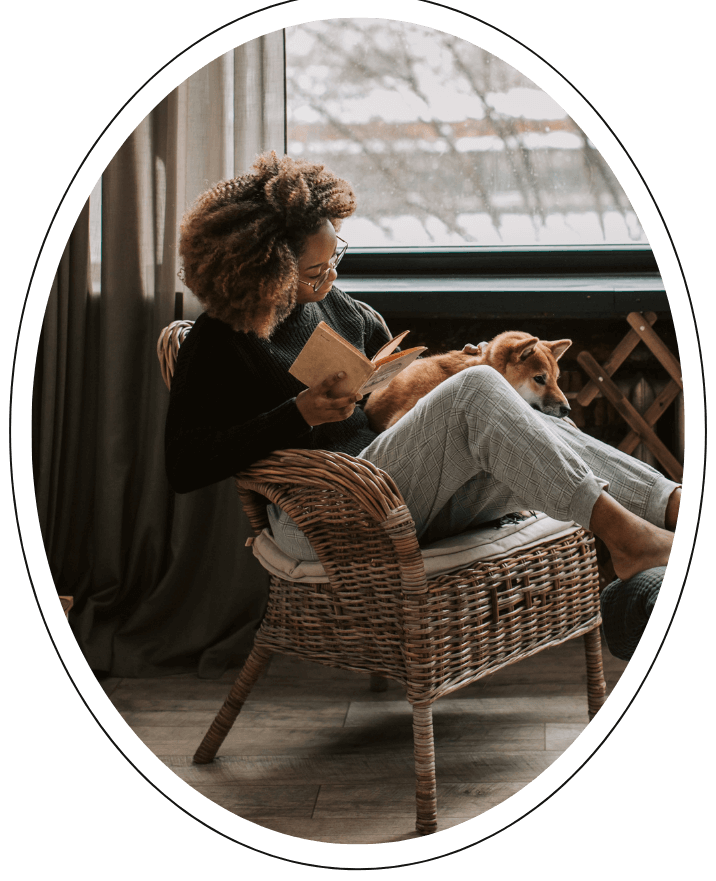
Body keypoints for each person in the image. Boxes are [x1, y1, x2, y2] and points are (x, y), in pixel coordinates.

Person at [165, 151, 679, 591]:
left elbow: (393, 397)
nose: (332, 277)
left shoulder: (338, 307)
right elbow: (184, 466)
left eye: (335, 255)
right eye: (316, 272)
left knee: (533, 419)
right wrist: (298, 413)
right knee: (481, 389)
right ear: (267, 272)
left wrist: (452, 369)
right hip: (321, 517)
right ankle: (629, 541)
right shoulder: (218, 341)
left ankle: (674, 507)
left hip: (397, 491)